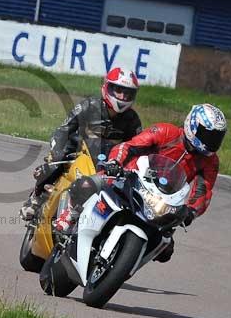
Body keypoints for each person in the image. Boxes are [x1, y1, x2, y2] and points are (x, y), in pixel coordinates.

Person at [53, 103, 228, 263]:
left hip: (161, 201)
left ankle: (125, 263)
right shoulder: (166, 131)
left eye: (216, 138)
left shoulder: (210, 161)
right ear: (192, 125)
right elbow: (129, 146)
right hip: (129, 178)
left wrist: (191, 211)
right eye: (207, 135)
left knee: (165, 249)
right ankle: (69, 214)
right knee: (87, 184)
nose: (211, 142)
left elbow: (203, 192)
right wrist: (115, 163)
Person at [19, 67, 143, 221]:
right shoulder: (89, 105)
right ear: (107, 87)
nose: (123, 96)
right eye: (119, 90)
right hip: (77, 152)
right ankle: (36, 197)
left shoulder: (132, 119)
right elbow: (64, 129)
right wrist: (57, 150)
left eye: (128, 93)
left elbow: (138, 147)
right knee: (55, 162)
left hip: (107, 164)